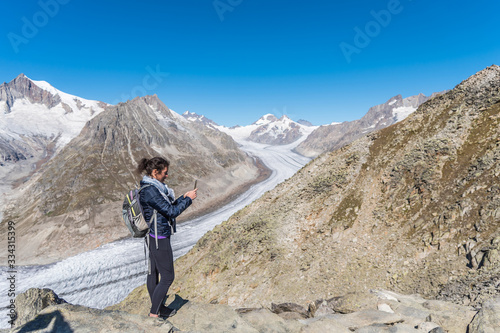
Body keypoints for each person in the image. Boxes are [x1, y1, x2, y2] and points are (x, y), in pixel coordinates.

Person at [136, 156, 197, 318]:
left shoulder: (152, 187)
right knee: (168, 277)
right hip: (159, 237)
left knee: (153, 273)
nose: (167, 175)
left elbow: (165, 208)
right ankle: (154, 314)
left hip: (153, 236)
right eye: (165, 173)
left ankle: (158, 308)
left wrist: (183, 198)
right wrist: (189, 200)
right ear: (155, 172)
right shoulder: (151, 191)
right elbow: (171, 212)